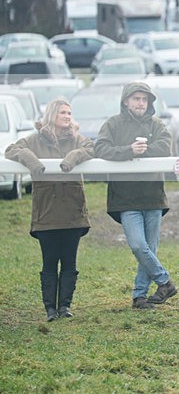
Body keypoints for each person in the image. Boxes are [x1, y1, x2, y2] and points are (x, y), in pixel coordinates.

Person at [5, 99, 94, 321]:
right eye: (63, 112)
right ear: (52, 114)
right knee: (49, 261)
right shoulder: (34, 140)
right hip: (46, 212)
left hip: (73, 211)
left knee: (70, 261)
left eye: (69, 113)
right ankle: (50, 309)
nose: (67, 116)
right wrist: (34, 163)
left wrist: (71, 159)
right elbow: (11, 150)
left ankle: (65, 306)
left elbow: (91, 148)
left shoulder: (77, 139)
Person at [94, 82, 177, 310]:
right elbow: (100, 148)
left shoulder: (157, 124)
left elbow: (165, 147)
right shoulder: (113, 124)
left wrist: (144, 151)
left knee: (149, 248)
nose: (141, 103)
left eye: (144, 99)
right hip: (125, 199)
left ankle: (139, 296)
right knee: (139, 246)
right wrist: (128, 151)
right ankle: (165, 282)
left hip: (153, 197)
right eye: (136, 99)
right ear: (126, 101)